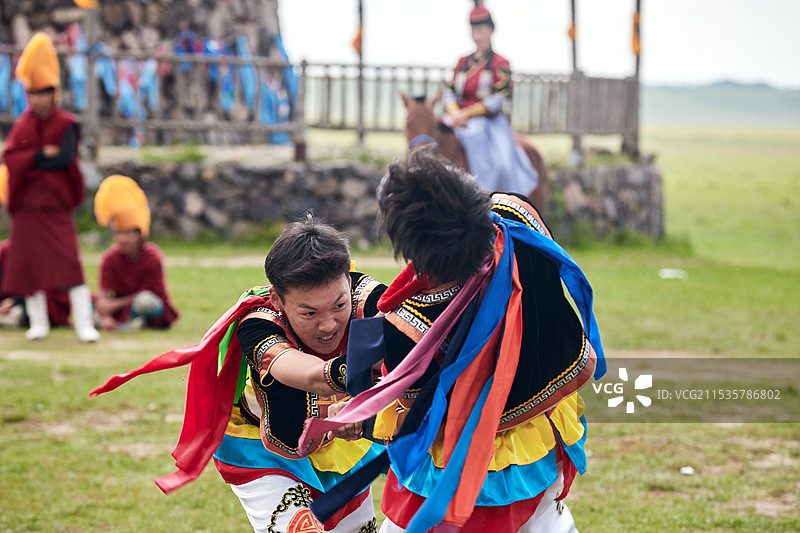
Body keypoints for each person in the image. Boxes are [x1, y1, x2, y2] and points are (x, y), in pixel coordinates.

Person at [301, 149, 606, 532]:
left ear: (409, 247)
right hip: (539, 433)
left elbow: (417, 421)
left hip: (473, 470)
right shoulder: (519, 220)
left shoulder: (407, 326)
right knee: (544, 520)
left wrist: (356, 419)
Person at [90, 215, 387, 533]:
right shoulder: (258, 323)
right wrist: (355, 380)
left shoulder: (366, 297)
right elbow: (298, 370)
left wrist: (369, 399)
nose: (328, 324)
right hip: (263, 447)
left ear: (348, 279)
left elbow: (412, 339)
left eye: (338, 305)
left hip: (338, 444)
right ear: (278, 300)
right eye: (309, 313)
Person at [1, 32, 99, 342]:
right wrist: (42, 154)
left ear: (54, 94)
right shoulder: (23, 125)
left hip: (55, 204)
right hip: (28, 207)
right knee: (30, 269)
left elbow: (65, 159)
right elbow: (12, 158)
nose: (36, 100)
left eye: (42, 93)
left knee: (69, 264)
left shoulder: (66, 124)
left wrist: (36, 163)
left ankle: (85, 324)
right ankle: (38, 323)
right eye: (32, 93)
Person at [442, 1, 538, 195]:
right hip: (458, 120)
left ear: (491, 30)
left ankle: (494, 198)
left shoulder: (500, 64)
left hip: (489, 123)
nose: (477, 35)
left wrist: (467, 114)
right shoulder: (462, 62)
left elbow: (498, 99)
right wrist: (455, 112)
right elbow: (449, 91)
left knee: (503, 165)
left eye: (481, 30)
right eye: (474, 30)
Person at [93, 175, 179, 331]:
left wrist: (113, 305)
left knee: (145, 302)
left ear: (139, 235)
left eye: (127, 234)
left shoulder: (151, 257)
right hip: (118, 309)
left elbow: (150, 293)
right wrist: (105, 316)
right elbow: (103, 295)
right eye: (119, 233)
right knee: (87, 302)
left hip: (141, 305)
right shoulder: (110, 258)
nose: (122, 239)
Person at [0, 239, 72, 329]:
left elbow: (47, 289)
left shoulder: (44, 250)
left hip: (34, 305)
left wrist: (14, 301)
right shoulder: (6, 250)